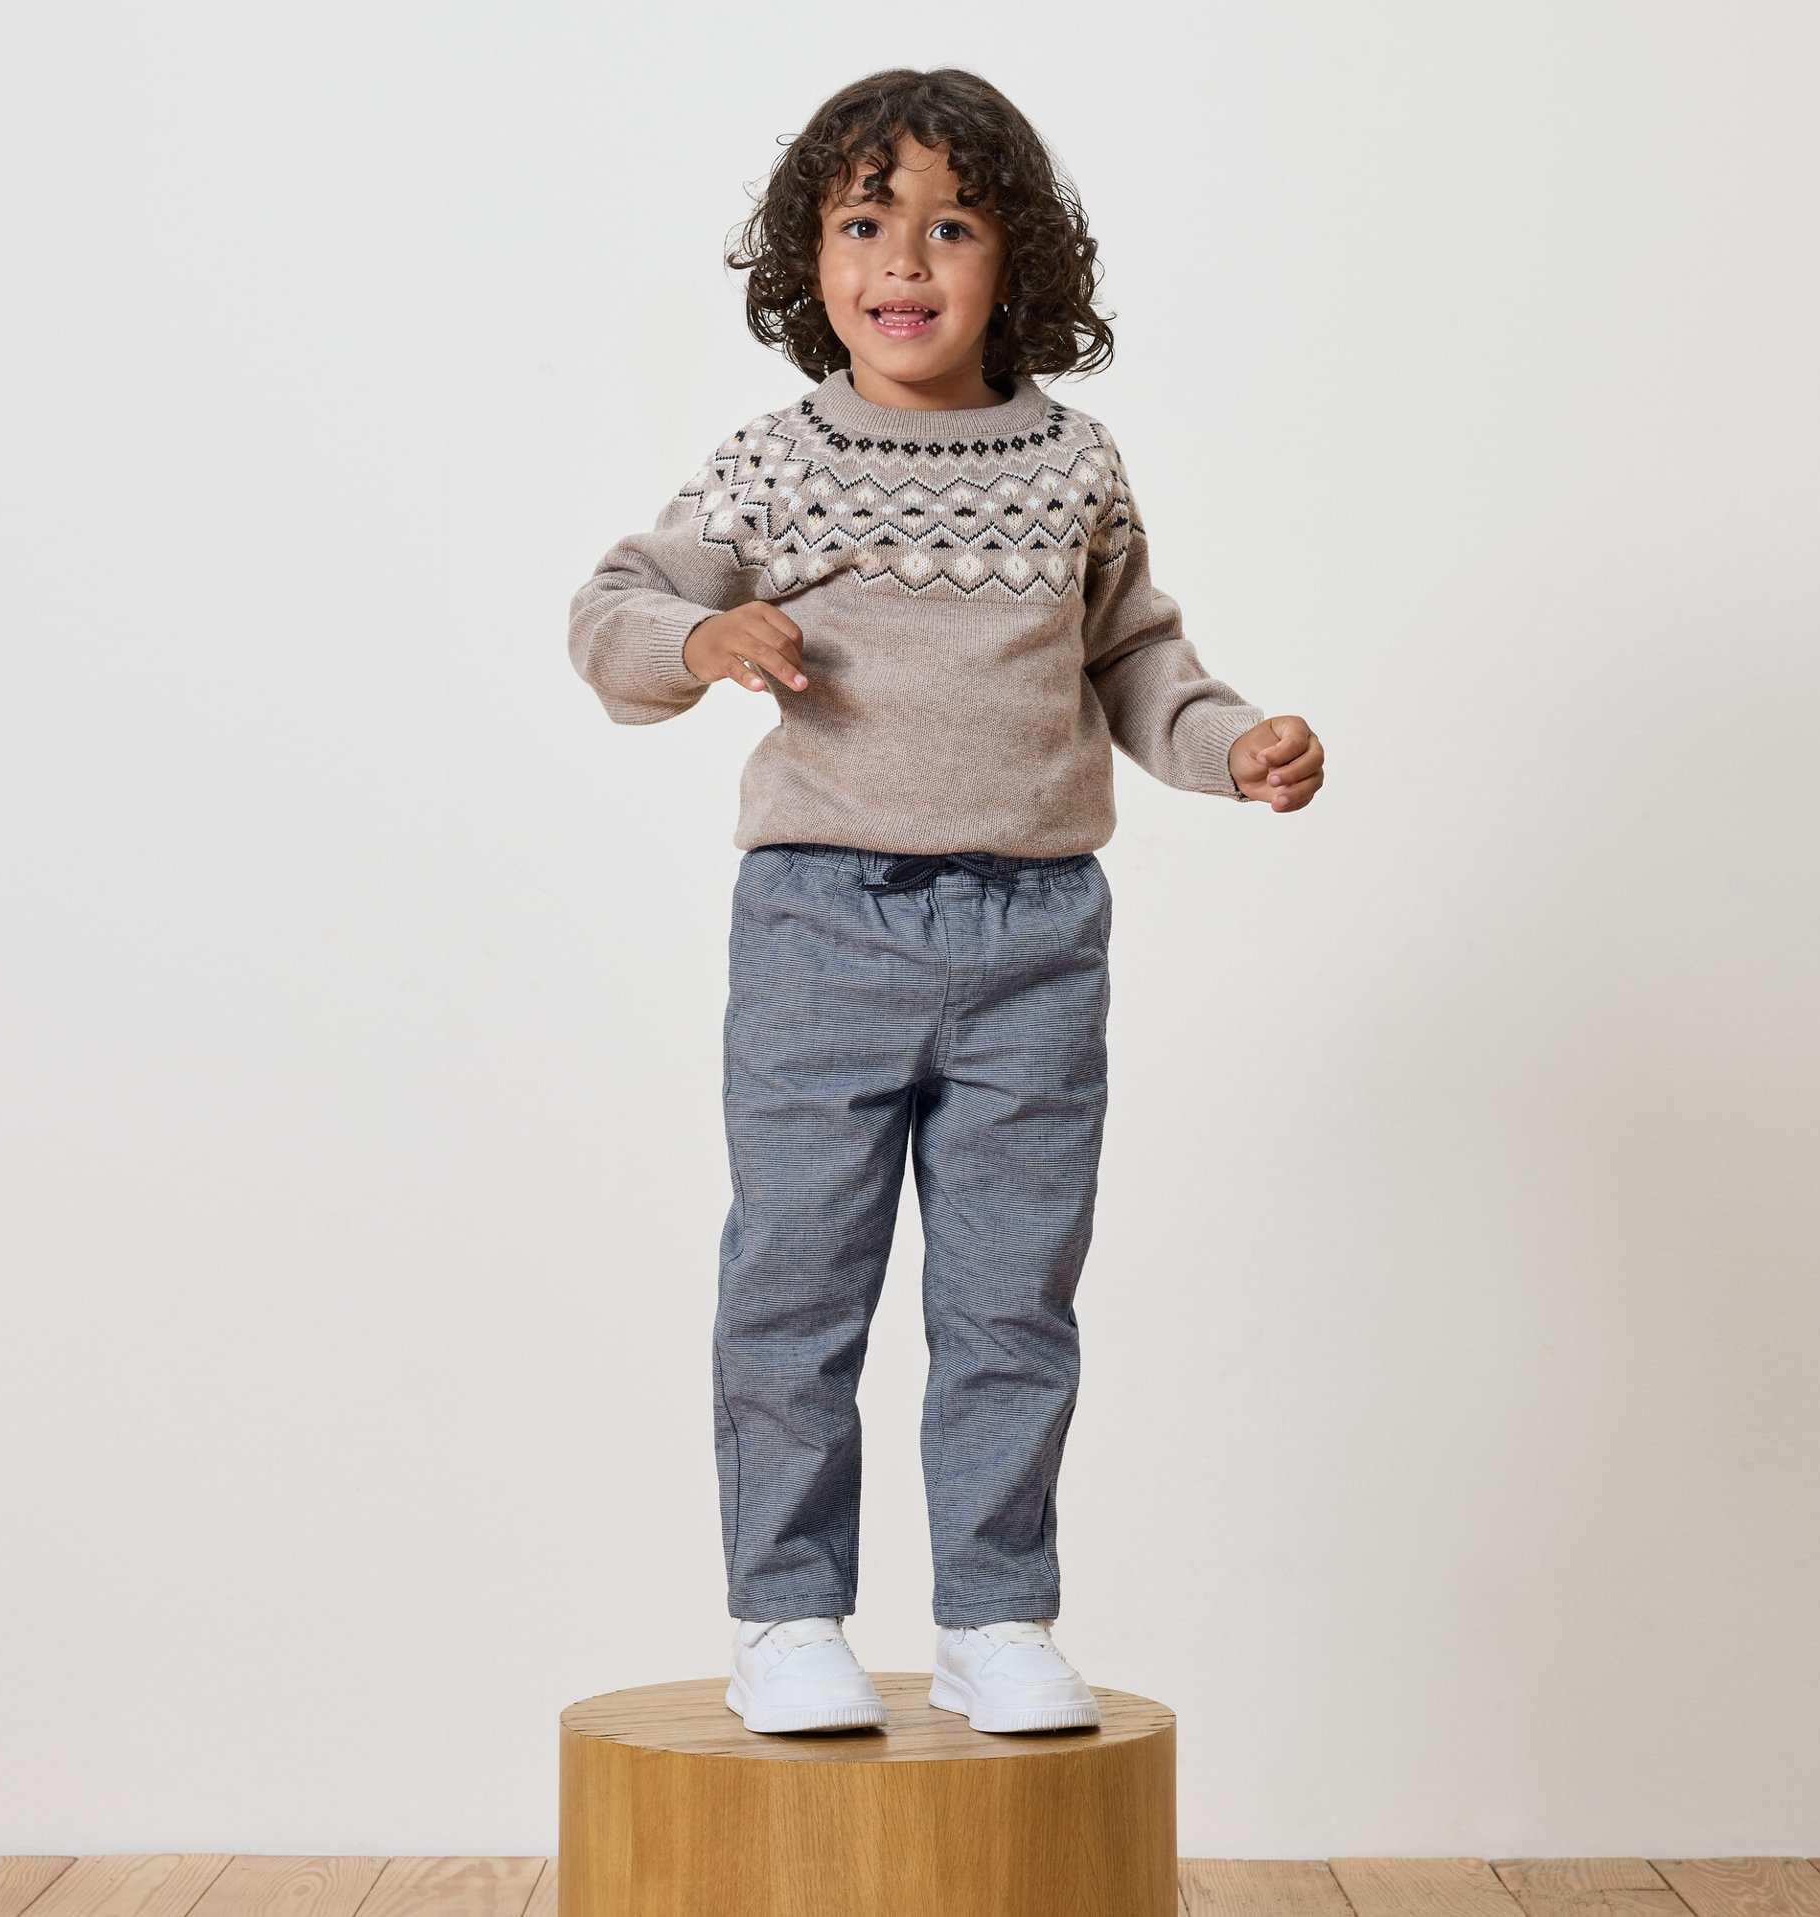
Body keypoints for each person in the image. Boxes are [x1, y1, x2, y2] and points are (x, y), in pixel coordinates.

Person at [568, 67, 1324, 1736]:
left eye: (950, 224)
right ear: (808, 258)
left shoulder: (1070, 462)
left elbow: (1137, 664)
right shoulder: (775, 459)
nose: (900, 259)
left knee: (1008, 1295)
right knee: (795, 1280)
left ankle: (994, 1612)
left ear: (1015, 263)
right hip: (821, 924)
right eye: (861, 222)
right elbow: (615, 605)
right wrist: (702, 638)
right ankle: (785, 1614)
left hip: (1035, 937)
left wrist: (1235, 743)